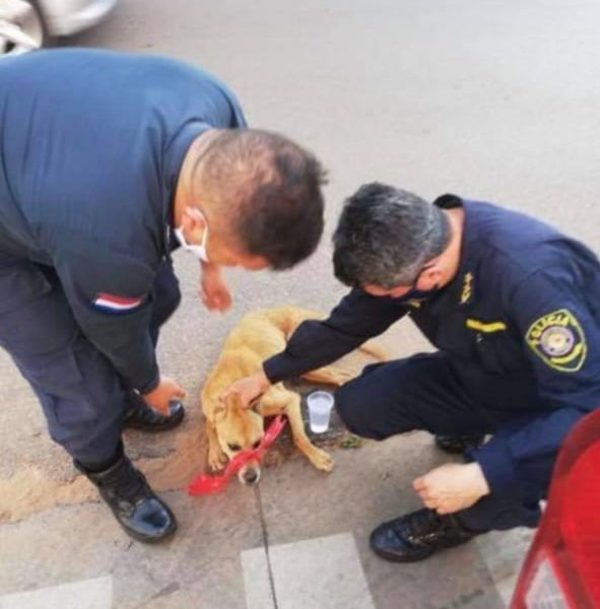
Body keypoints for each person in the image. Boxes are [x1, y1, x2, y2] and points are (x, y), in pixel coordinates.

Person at [0, 49, 326, 543]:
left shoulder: (219, 112)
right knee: (74, 376)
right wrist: (149, 382)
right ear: (195, 221)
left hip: (39, 163)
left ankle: (121, 397)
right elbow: (112, 324)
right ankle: (107, 467)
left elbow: (222, 193)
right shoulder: (111, 236)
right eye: (238, 259)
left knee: (161, 293)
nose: (235, 270)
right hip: (28, 219)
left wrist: (210, 265)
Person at [223, 183, 600, 562]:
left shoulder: (533, 283)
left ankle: (458, 522)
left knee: (497, 480)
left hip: (558, 405)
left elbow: (587, 409)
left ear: (431, 274)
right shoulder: (417, 242)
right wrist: (268, 374)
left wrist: (484, 473)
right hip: (486, 373)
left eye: (386, 293)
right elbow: (347, 324)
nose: (380, 299)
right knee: (363, 403)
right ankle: (469, 425)